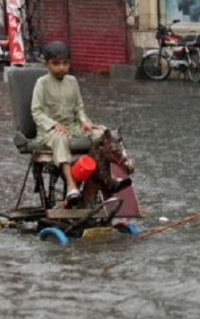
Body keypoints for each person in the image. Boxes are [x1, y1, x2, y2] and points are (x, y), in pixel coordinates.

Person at [31, 41, 134, 207]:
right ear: (46, 65)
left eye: (65, 63)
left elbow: (79, 108)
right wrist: (52, 124)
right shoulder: (41, 84)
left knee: (102, 133)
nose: (61, 68)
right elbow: (36, 111)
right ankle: (72, 186)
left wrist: (85, 122)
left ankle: (109, 179)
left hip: (73, 127)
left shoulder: (72, 81)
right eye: (56, 64)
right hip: (49, 131)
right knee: (60, 137)